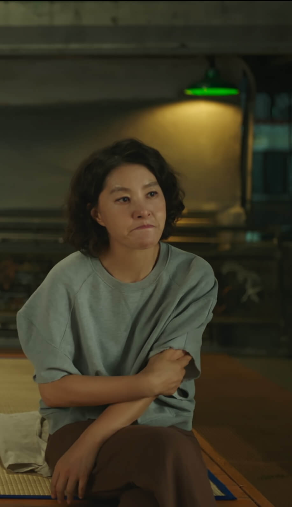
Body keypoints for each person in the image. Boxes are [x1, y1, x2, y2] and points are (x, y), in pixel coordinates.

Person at [17, 139, 218, 506]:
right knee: (170, 455)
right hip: (76, 430)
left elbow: (167, 376)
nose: (143, 210)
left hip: (159, 427)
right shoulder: (68, 280)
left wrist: (91, 444)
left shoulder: (192, 275)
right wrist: (144, 383)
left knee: (150, 489)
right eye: (123, 199)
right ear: (98, 214)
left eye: (152, 194)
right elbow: (56, 391)